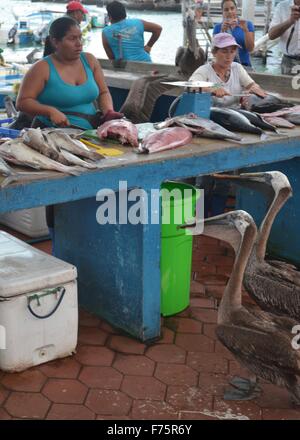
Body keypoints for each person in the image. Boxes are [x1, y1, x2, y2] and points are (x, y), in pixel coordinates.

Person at [17, 16, 122, 130]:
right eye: (72, 39)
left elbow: (103, 92)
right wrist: (50, 111)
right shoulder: (41, 68)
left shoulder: (89, 60)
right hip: (51, 133)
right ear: (55, 42)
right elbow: (22, 102)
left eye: (80, 38)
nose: (79, 44)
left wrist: (108, 112)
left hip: (90, 133)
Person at [189, 33, 266, 108]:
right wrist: (213, 88)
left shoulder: (237, 67)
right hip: (209, 113)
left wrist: (253, 89)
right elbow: (190, 86)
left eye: (232, 52)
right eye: (224, 52)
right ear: (214, 53)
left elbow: (251, 85)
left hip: (236, 113)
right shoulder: (204, 70)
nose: (229, 56)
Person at [213, 0, 254, 69]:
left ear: (236, 9)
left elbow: (250, 49)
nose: (230, 12)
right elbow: (214, 51)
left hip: (243, 67)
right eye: (226, 10)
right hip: (223, 68)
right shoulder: (218, 27)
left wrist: (246, 31)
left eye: (232, 8)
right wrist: (222, 31)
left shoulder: (247, 24)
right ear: (222, 12)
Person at [269, 0, 300, 75]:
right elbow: (271, 35)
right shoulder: (282, 7)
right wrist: (290, 21)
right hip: (289, 61)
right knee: (287, 86)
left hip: (288, 61)